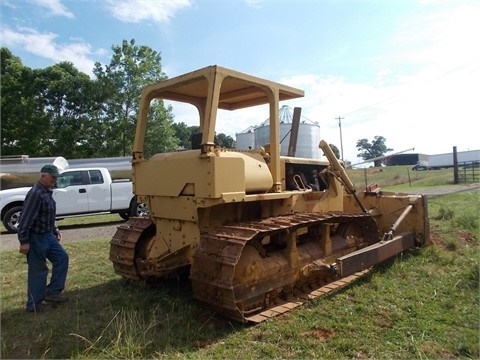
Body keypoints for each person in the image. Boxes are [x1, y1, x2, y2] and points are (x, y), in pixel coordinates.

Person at [18, 164, 69, 313]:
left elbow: (47, 215)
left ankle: (52, 292)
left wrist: (54, 229)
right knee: (38, 270)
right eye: (52, 177)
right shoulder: (35, 194)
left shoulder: (47, 192)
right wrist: (24, 241)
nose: (54, 180)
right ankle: (33, 305)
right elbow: (26, 219)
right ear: (43, 176)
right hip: (36, 238)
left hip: (48, 235)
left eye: (55, 178)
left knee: (62, 258)